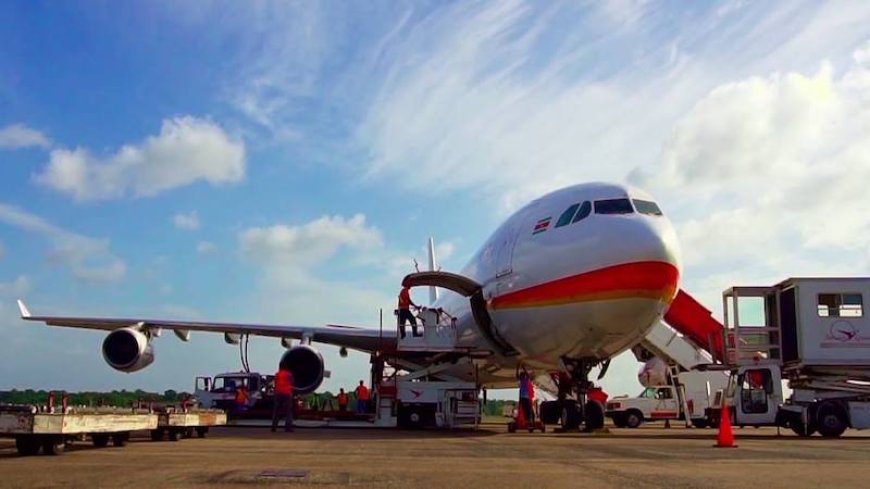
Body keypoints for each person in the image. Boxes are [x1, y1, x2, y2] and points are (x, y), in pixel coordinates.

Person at [271, 364, 294, 432]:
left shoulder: (277, 374)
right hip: (287, 393)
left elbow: (275, 382)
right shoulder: (288, 374)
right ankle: (288, 427)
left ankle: (274, 427)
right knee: (288, 411)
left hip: (278, 393)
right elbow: (292, 381)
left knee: (276, 411)